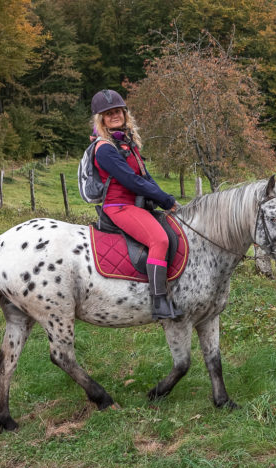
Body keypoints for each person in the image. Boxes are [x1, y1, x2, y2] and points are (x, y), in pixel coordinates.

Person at [90, 88, 181, 320]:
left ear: (124, 113)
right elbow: (131, 181)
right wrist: (164, 200)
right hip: (118, 207)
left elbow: (145, 176)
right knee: (158, 239)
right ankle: (158, 300)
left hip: (136, 204)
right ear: (101, 119)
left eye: (118, 111)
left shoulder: (127, 143)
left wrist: (166, 198)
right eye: (108, 113)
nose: (114, 115)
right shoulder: (104, 149)